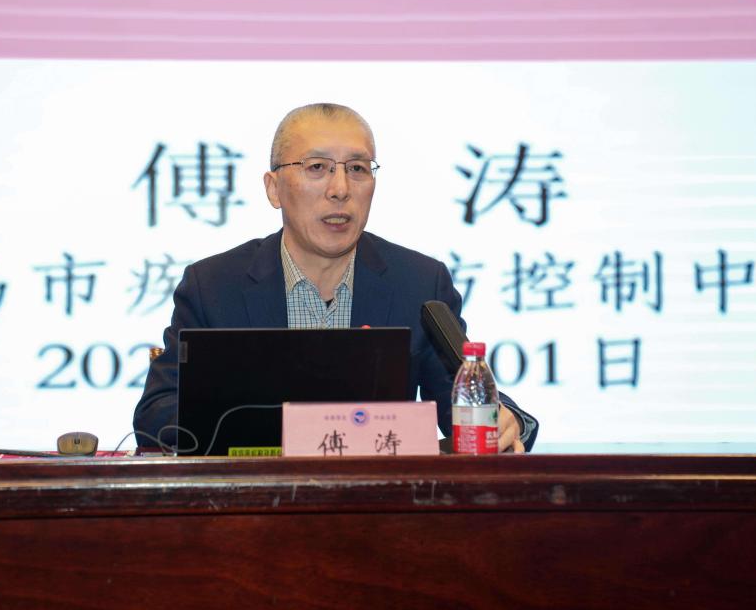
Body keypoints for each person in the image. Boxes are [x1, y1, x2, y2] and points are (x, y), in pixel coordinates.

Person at [133, 102, 537, 451]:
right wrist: (287, 430)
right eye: (317, 168)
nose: (340, 189)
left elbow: (460, 403)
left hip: (378, 507)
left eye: (357, 168)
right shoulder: (214, 286)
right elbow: (157, 413)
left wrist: (507, 421)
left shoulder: (419, 283)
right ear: (274, 188)